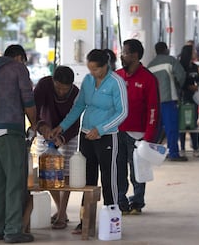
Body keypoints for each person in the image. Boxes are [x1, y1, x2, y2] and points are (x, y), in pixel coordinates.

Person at [51, 49, 128, 233]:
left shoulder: (116, 82)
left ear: (105, 66)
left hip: (108, 137)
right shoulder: (87, 80)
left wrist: (101, 129)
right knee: (88, 181)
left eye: (95, 69)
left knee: (109, 179)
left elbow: (123, 112)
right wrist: (62, 126)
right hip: (86, 136)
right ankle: (86, 221)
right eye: (89, 69)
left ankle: (112, 221)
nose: (92, 73)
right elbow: (78, 106)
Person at [0, 44, 36, 243]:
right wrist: (35, 123)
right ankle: (13, 230)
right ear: (19, 57)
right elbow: (28, 100)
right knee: (15, 182)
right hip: (10, 132)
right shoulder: (17, 68)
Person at [116, 39, 161, 215]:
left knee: (138, 171)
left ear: (135, 55)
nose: (122, 55)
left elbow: (153, 109)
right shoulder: (117, 76)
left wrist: (149, 136)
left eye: (125, 52)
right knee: (118, 169)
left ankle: (137, 201)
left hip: (139, 134)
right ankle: (121, 201)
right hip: (117, 132)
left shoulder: (148, 78)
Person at [33, 65, 80, 230]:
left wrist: (63, 137)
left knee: (66, 173)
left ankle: (61, 214)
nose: (61, 92)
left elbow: (75, 123)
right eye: (58, 88)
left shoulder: (75, 93)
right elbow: (34, 111)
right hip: (45, 131)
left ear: (71, 86)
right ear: (53, 81)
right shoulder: (43, 85)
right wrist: (42, 127)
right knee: (47, 171)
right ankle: (61, 209)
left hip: (68, 134)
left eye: (65, 89)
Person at [148, 42, 186, 161]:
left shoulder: (150, 65)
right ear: (166, 50)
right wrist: (179, 88)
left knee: (155, 129)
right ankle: (173, 153)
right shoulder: (171, 60)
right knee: (171, 128)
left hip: (154, 102)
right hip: (168, 99)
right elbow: (181, 75)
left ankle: (152, 154)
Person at [179, 44, 199, 158]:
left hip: (193, 99)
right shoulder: (180, 66)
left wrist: (198, 86)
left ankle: (196, 148)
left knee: (193, 123)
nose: (195, 53)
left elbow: (198, 80)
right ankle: (182, 148)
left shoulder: (194, 67)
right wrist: (188, 87)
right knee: (182, 124)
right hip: (183, 99)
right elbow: (179, 82)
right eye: (193, 51)